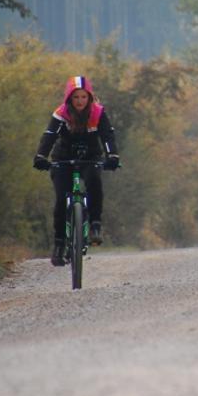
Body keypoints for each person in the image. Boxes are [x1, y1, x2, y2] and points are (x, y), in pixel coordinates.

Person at [34, 75, 120, 266]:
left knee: (94, 182)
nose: (80, 101)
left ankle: (95, 225)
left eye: (83, 97)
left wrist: (112, 156)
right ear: (69, 98)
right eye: (76, 97)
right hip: (63, 158)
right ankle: (59, 244)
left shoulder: (98, 113)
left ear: (89, 97)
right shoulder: (61, 114)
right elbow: (49, 136)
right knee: (61, 199)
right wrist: (41, 156)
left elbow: (107, 136)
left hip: (91, 157)